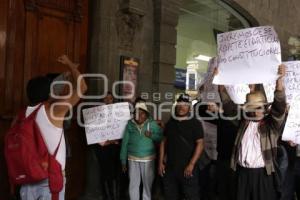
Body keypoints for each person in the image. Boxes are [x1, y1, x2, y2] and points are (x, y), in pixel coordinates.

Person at [20, 55, 87, 200]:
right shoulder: (54, 111)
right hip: (49, 182)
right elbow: (82, 87)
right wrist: (71, 65)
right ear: (49, 93)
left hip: (26, 180)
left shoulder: (20, 117)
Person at [230, 64, 286, 200]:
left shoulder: (271, 126)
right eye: (252, 107)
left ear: (265, 108)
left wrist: (279, 80)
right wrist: (221, 88)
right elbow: (229, 109)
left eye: (259, 107)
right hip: (242, 173)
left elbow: (279, 108)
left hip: (263, 175)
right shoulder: (243, 123)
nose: (256, 111)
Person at [159, 93, 204, 200]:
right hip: (170, 168)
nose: (181, 107)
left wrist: (191, 164)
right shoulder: (171, 123)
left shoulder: (195, 123)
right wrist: (160, 162)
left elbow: (200, 144)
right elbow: (163, 142)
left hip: (187, 169)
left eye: (184, 104)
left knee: (190, 195)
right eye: (179, 103)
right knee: (170, 195)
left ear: (189, 107)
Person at [120, 101, 163, 200]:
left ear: (146, 114)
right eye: (136, 113)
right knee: (133, 183)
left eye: (142, 113)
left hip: (148, 158)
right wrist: (123, 161)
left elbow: (161, 137)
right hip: (132, 158)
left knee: (147, 183)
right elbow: (124, 143)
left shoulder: (151, 124)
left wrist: (151, 135)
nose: (139, 115)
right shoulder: (130, 125)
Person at [96, 92, 121, 200]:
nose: (108, 100)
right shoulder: (97, 114)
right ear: (102, 100)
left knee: (115, 172)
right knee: (105, 173)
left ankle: (114, 196)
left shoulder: (117, 114)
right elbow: (95, 134)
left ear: (113, 100)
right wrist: (109, 142)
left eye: (110, 99)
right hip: (102, 148)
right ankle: (107, 197)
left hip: (115, 148)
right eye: (105, 99)